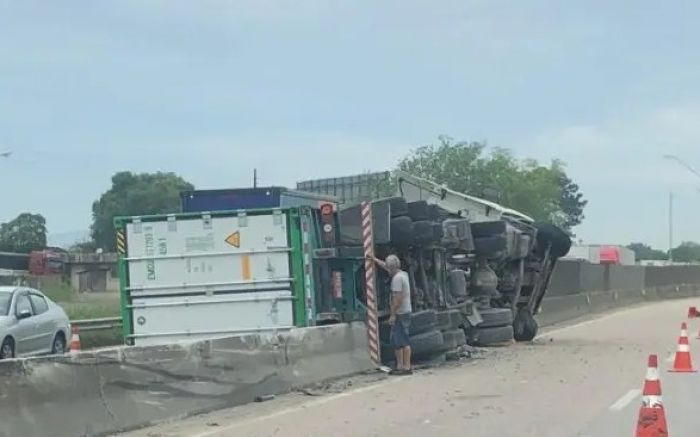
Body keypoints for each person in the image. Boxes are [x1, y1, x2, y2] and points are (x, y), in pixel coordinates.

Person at [372, 254, 412, 375]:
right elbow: (387, 266)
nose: (387, 271)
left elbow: (397, 298)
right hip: (406, 311)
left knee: (402, 341)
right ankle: (401, 366)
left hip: (400, 313)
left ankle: (405, 367)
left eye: (388, 268)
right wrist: (375, 260)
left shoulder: (397, 280)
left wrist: (393, 315)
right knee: (397, 341)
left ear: (392, 268)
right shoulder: (403, 274)